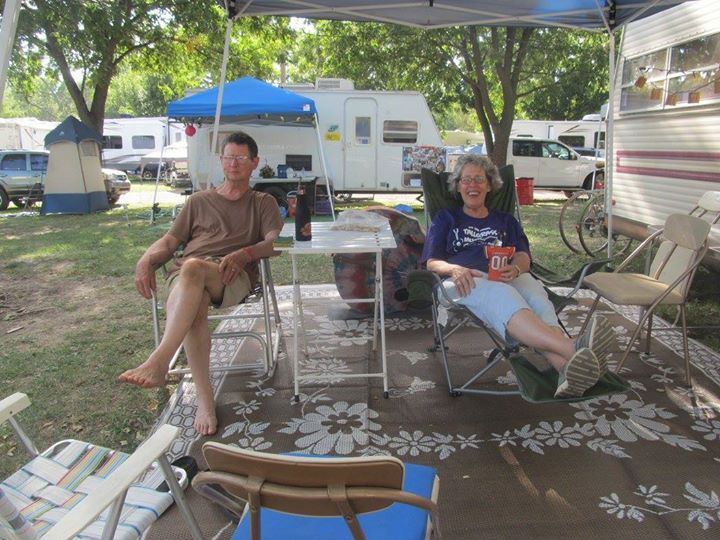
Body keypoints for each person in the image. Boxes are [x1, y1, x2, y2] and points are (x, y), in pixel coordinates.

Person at [118, 131, 284, 435]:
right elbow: (170, 242)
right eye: (229, 157)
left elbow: (276, 242)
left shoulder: (263, 202)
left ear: (254, 162)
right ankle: (205, 402)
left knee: (193, 267)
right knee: (195, 299)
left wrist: (245, 254)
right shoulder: (198, 201)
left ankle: (160, 361)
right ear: (221, 160)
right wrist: (145, 260)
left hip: (230, 276)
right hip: (186, 279)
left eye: (241, 158)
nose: (234, 163)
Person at [421, 154, 615, 398]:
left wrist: (516, 269)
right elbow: (431, 262)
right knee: (502, 293)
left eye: (479, 179)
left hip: (505, 275)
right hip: (462, 280)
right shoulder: (446, 219)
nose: (472, 186)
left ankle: (565, 369)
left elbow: (523, 256)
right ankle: (574, 347)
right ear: (458, 186)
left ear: (489, 185)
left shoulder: (505, 220)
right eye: (466, 180)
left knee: (536, 295)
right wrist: (454, 269)